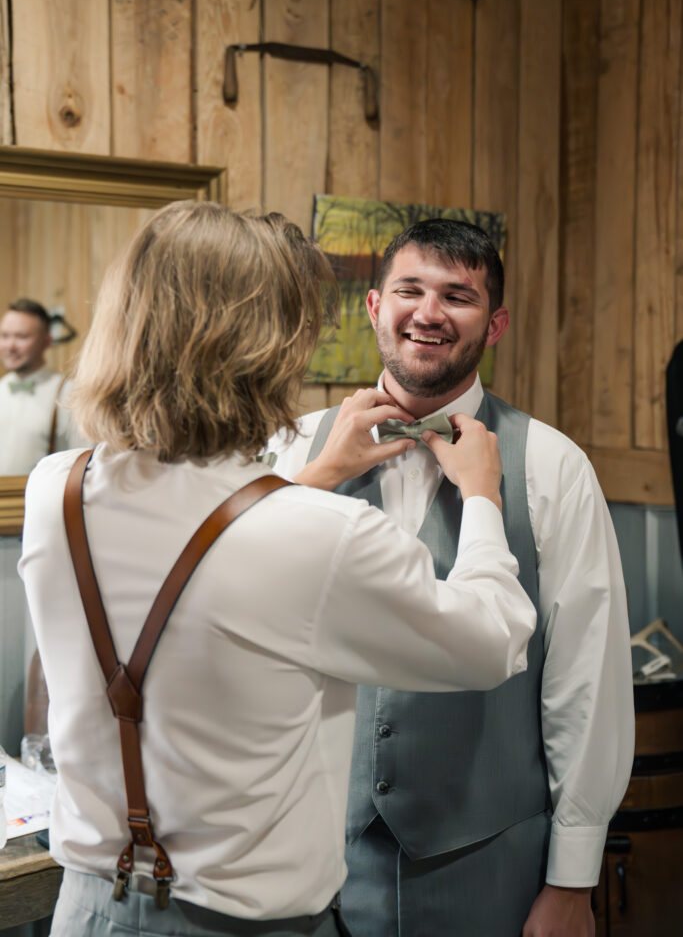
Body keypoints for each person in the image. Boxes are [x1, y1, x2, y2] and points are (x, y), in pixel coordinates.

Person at [19, 202, 537, 937]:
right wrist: (481, 497)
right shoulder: (319, 534)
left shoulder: (54, 489)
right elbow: (494, 640)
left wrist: (312, 477)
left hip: (85, 909)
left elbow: (212, 556)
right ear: (269, 346)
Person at [268, 218, 635, 937]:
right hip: (302, 863)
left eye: (457, 297)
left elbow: (585, 681)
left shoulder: (553, 466)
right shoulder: (286, 448)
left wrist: (571, 879)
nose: (428, 313)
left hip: (485, 863)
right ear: (374, 307)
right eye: (408, 289)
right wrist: (313, 481)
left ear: (493, 325)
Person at [0, 297, 83, 473]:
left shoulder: (68, 392)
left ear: (46, 342)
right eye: (4, 336)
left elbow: (82, 462)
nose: (10, 346)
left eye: (21, 337)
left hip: (40, 499)